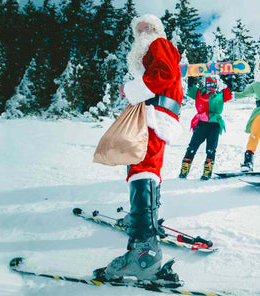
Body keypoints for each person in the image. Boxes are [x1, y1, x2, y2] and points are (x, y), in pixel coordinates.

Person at [93, 14, 183, 282]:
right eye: (140, 29)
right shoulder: (152, 54)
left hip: (155, 115)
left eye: (149, 27)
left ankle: (144, 252)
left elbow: (164, 74)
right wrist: (134, 89)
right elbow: (159, 77)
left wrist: (132, 89)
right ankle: (145, 228)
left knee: (141, 168)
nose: (144, 32)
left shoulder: (160, 45)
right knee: (145, 169)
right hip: (156, 115)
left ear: (158, 31)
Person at [179, 76, 233, 180]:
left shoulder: (220, 95)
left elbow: (229, 91)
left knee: (211, 149)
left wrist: (230, 83)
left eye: (212, 85)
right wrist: (191, 80)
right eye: (208, 84)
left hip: (215, 124)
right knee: (192, 147)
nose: (210, 87)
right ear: (205, 85)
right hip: (201, 124)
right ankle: (184, 171)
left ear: (216, 85)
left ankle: (207, 172)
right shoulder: (199, 93)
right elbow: (191, 89)